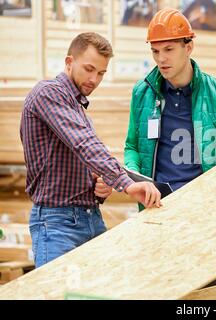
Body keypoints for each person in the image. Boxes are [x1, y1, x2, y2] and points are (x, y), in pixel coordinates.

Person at [124, 8, 216, 286]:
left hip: (204, 215)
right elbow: (132, 146)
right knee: (159, 288)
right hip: (157, 212)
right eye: (155, 51)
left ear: (188, 46)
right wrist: (134, 176)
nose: (161, 59)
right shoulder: (142, 93)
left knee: (204, 292)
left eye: (168, 49)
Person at [20, 32, 161, 268]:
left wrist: (99, 186)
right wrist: (125, 183)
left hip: (90, 219)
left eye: (101, 73)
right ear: (68, 62)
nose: (94, 79)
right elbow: (84, 144)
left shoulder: (77, 108)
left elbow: (83, 156)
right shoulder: (48, 93)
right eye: (88, 69)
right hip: (57, 224)